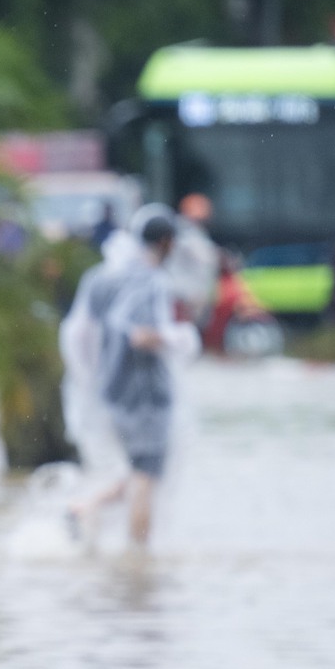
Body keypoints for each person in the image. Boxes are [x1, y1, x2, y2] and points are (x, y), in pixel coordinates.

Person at [63, 215, 194, 548]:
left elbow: (78, 334)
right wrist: (180, 337)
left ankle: (83, 508)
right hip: (147, 395)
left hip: (111, 391)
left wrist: (91, 381)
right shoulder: (151, 280)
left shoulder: (101, 277)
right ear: (166, 242)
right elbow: (141, 335)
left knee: (138, 470)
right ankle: (138, 565)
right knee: (146, 477)